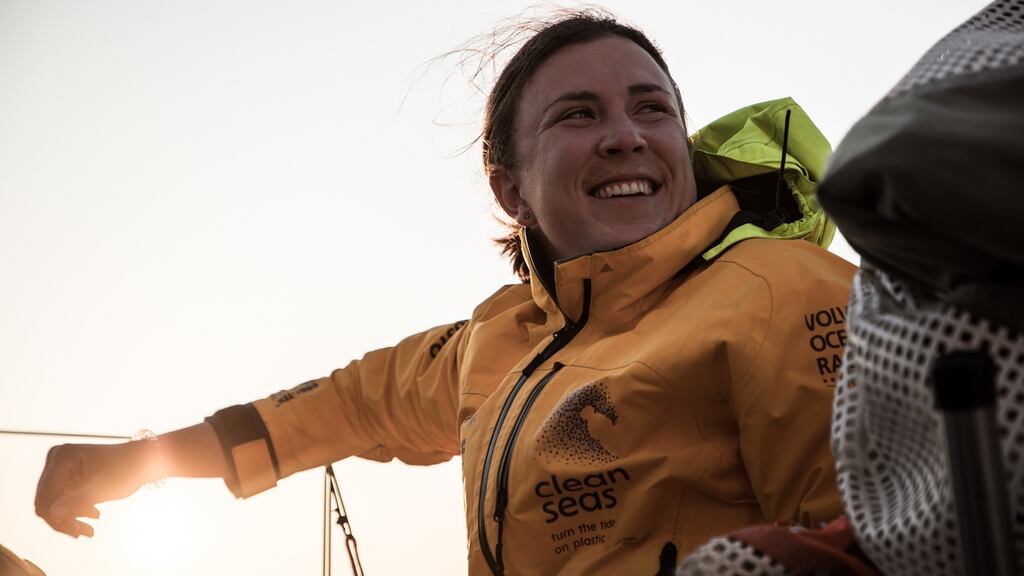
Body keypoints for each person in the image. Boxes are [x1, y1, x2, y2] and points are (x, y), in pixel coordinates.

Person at [34, 11, 856, 575]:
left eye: (653, 108)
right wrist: (137, 461)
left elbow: (871, 541)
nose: (625, 134)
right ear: (512, 191)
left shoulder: (782, 292)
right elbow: (347, 406)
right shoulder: (499, 341)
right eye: (577, 115)